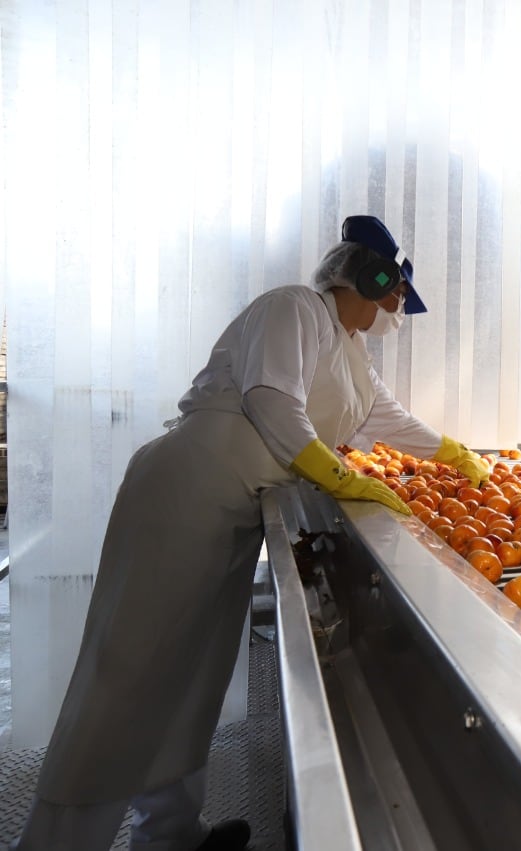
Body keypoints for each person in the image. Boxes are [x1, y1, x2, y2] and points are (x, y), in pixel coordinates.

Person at [14, 215, 487, 851]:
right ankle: (55, 844)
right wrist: (332, 470)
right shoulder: (292, 309)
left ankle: (171, 834)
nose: (399, 306)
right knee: (131, 669)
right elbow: (271, 399)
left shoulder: (350, 350)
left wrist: (456, 454)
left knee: (195, 668)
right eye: (396, 290)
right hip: (185, 488)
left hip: (235, 503)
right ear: (370, 278)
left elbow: (386, 418)